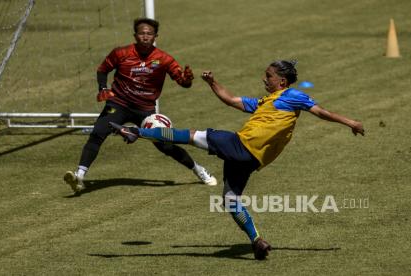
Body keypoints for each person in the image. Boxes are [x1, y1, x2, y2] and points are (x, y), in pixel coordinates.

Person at [109, 60, 365, 260]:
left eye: (269, 76)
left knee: (192, 136)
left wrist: (350, 122)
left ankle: (136, 131)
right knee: (230, 200)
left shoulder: (292, 96)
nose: (265, 79)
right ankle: (257, 241)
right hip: (250, 159)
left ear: (282, 81)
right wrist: (213, 82)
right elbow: (232, 101)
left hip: (241, 145)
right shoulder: (266, 101)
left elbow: (321, 112)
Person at [63, 18, 217, 194]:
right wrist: (103, 87)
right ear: (135, 35)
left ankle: (198, 170)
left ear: (155, 36)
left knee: (165, 144)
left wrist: (187, 80)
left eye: (149, 34)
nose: (145, 37)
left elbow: (182, 81)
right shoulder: (121, 53)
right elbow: (102, 70)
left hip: (145, 110)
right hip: (119, 103)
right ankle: (79, 176)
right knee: (98, 132)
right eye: (142, 33)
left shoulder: (164, 59)